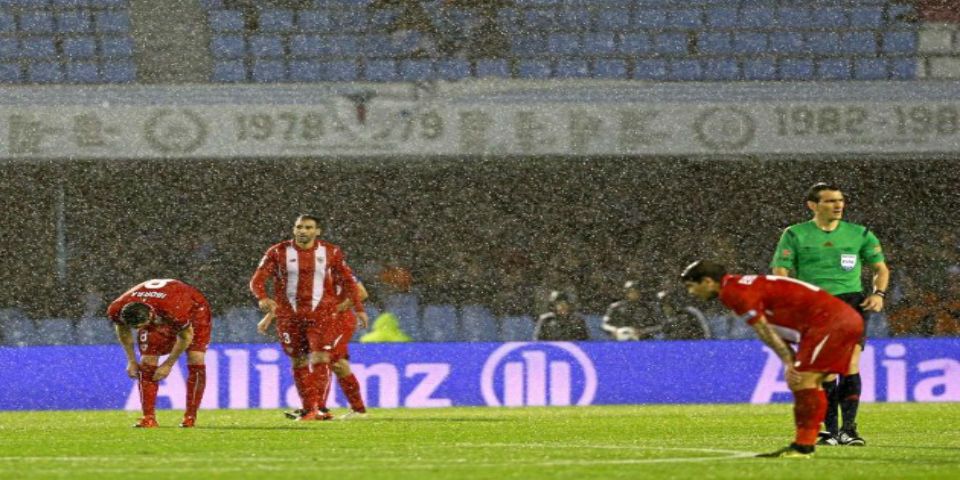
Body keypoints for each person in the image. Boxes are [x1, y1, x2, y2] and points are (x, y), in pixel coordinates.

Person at [681, 260, 863, 458]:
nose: (691, 293)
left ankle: (804, 446)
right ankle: (806, 443)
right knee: (806, 382)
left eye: (691, 286)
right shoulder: (739, 285)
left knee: (803, 380)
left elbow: (763, 329)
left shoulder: (733, 293)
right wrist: (791, 358)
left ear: (707, 281)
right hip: (832, 321)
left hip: (830, 322)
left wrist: (788, 361)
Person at [771, 182, 890, 447]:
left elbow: (881, 269)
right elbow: (781, 271)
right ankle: (831, 431)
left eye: (840, 200)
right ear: (812, 205)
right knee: (824, 371)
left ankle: (849, 430)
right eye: (829, 201)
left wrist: (878, 295)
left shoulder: (860, 234)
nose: (838, 205)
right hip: (813, 304)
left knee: (849, 364)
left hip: (850, 303)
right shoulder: (795, 234)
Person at [250, 214, 367, 422]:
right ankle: (312, 408)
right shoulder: (277, 252)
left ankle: (320, 408)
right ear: (294, 229)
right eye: (299, 227)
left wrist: (357, 309)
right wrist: (264, 300)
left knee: (325, 358)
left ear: (317, 231)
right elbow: (257, 281)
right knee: (299, 360)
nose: (303, 231)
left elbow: (352, 284)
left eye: (308, 227)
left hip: (323, 315)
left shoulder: (331, 253)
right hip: (290, 317)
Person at [106, 278, 212, 428]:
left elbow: (185, 336)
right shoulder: (116, 308)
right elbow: (122, 330)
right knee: (147, 362)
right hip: (161, 305)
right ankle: (148, 418)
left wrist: (168, 364)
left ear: (150, 315)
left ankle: (190, 417)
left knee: (196, 358)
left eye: (142, 326)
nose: (138, 330)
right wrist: (131, 360)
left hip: (195, 309)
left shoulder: (174, 309)